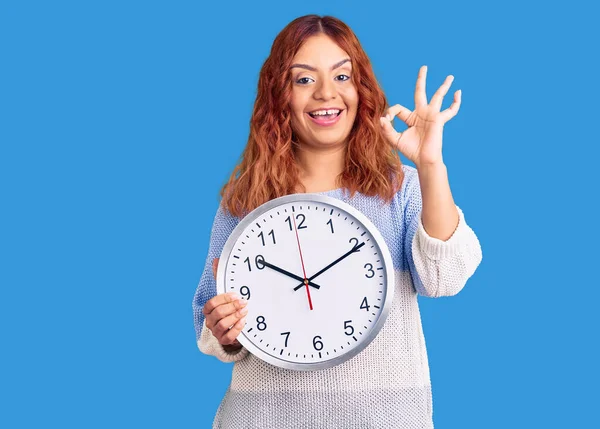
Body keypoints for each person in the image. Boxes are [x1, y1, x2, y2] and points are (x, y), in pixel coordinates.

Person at [192, 14, 482, 429]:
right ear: (280, 95)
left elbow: (445, 278)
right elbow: (210, 318)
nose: (326, 93)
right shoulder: (244, 201)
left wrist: (431, 165)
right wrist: (224, 328)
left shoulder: (400, 189)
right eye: (304, 80)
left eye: (342, 76)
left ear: (360, 87)